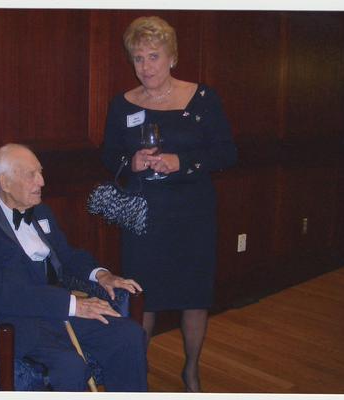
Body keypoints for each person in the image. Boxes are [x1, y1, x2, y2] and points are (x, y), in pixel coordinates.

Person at [101, 16, 237, 392]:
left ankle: (191, 370)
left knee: (194, 297)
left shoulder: (203, 98)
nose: (146, 67)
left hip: (192, 213)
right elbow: (108, 155)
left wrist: (183, 162)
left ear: (173, 57)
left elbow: (227, 152)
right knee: (143, 296)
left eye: (154, 56)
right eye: (139, 58)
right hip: (144, 216)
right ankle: (136, 374)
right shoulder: (121, 104)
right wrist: (132, 163)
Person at [0, 143, 147, 392]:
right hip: (17, 320)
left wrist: (102, 274)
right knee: (70, 367)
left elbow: (66, 255)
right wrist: (73, 305)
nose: (42, 181)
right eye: (31, 175)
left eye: (40, 172)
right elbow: (0, 294)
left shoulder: (41, 211)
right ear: (5, 182)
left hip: (58, 308)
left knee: (129, 336)